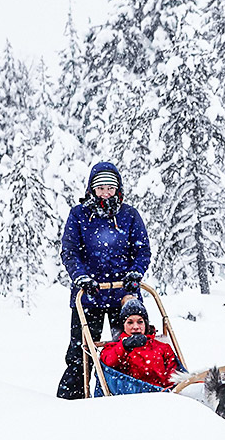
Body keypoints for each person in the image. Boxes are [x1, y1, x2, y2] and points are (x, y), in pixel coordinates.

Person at [55, 161, 152, 399]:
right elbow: (70, 251)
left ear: (118, 189)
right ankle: (71, 400)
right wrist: (81, 277)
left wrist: (135, 273)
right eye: (100, 188)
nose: (106, 193)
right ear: (92, 190)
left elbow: (142, 250)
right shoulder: (79, 215)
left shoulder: (129, 215)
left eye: (110, 188)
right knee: (81, 353)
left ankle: (133, 393)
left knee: (131, 348)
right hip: (90, 296)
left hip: (124, 296)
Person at [98, 296, 181, 389]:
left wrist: (168, 389)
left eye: (140, 322)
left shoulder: (163, 348)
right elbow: (109, 362)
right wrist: (124, 346)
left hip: (162, 395)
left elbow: (174, 374)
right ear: (123, 326)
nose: (136, 327)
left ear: (146, 324)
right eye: (130, 322)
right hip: (130, 395)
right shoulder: (113, 348)